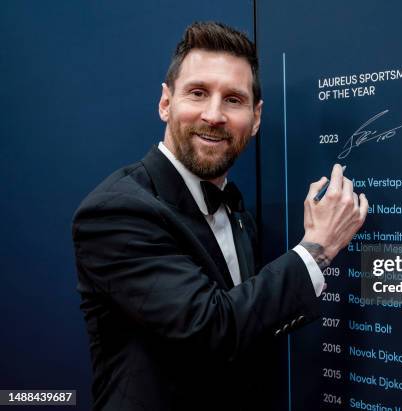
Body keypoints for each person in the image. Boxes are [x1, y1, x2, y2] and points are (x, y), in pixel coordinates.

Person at [72, 21, 367, 410]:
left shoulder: (237, 210)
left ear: (256, 117)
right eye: (197, 93)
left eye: (233, 99)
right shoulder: (116, 210)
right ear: (165, 103)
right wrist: (318, 249)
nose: (214, 115)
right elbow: (212, 329)